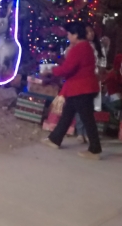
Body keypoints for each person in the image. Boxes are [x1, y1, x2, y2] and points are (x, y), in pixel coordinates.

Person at [44, 21, 103, 159]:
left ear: (76, 35)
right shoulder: (86, 46)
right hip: (82, 87)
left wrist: (51, 70)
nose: (68, 37)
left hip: (81, 88)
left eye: (69, 34)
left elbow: (67, 68)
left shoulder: (79, 48)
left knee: (87, 119)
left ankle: (95, 149)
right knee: (68, 114)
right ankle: (55, 139)